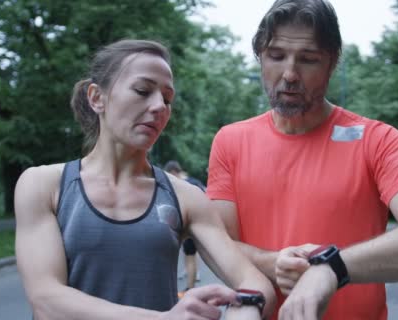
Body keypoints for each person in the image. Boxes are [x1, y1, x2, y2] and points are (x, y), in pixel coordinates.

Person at [206, 1, 398, 319]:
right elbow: (216, 243)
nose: (289, 74)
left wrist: (332, 267)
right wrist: (273, 263)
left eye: (309, 60)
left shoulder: (377, 140)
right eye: (276, 56)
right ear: (260, 57)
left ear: (332, 63)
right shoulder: (230, 140)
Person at [14, 39, 275, 320]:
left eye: (167, 98)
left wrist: (246, 309)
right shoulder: (43, 185)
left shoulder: (185, 197)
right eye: (142, 90)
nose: (159, 106)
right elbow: (46, 299)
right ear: (96, 97)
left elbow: (255, 283)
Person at [163, 160, 203, 295]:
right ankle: (190, 287)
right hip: (193, 224)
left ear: (174, 172)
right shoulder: (194, 182)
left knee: (190, 256)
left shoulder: (185, 185)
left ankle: (190, 290)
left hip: (189, 224)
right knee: (189, 255)